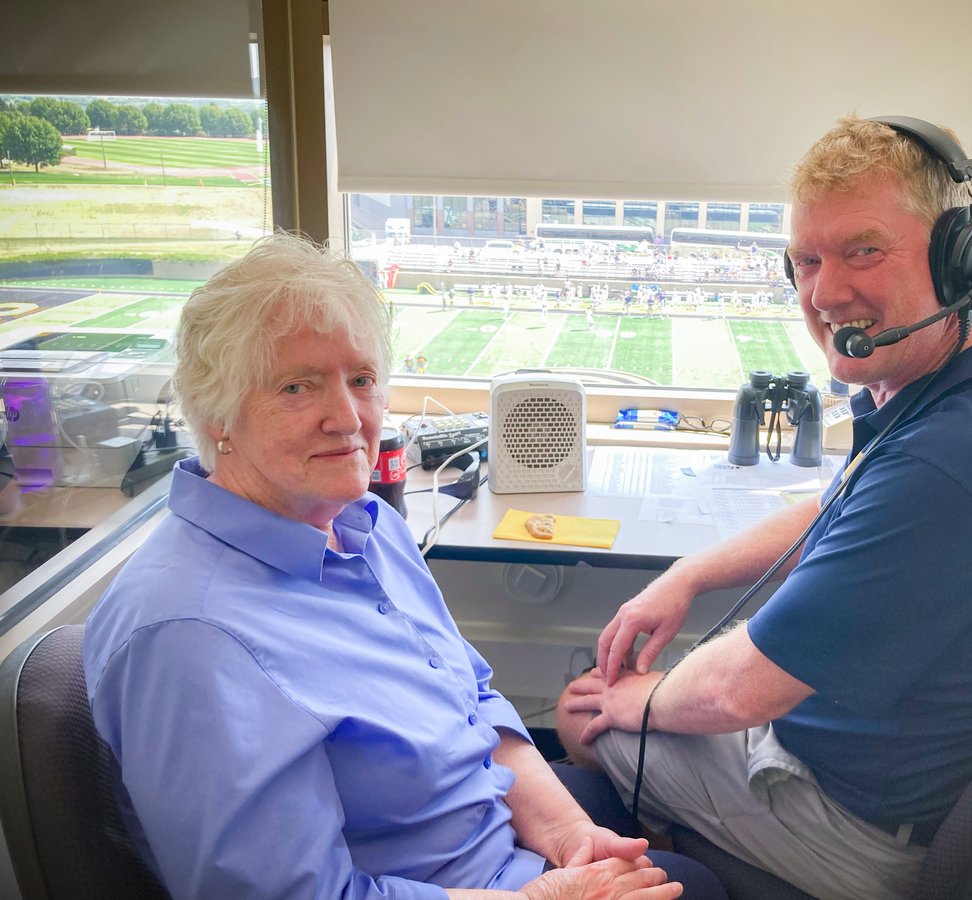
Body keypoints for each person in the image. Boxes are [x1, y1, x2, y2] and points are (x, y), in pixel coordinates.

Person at [557, 115, 972, 900]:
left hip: (865, 830)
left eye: (864, 251)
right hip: (870, 766)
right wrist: (685, 575)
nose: (823, 292)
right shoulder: (971, 398)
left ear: (960, 260)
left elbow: (737, 693)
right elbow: (834, 506)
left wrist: (633, 701)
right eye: (807, 261)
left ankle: (699, 861)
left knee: (583, 714)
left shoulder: (950, 463)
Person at [83, 233, 720, 900]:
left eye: (360, 380)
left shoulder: (365, 524)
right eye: (297, 387)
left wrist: (568, 836)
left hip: (498, 845)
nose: (348, 418)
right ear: (218, 414)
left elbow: (470, 700)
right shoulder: (190, 637)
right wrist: (542, 897)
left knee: (690, 876)